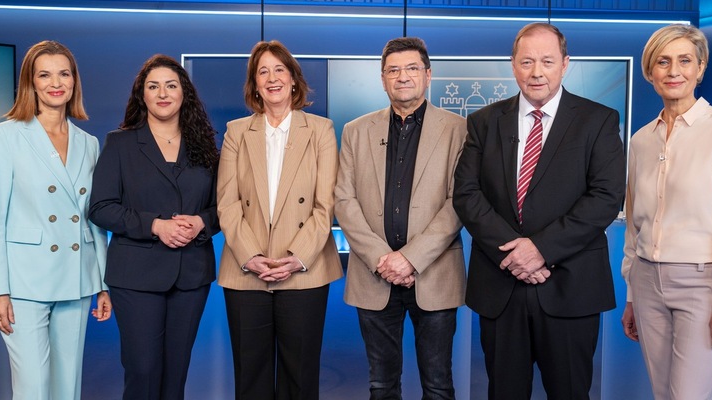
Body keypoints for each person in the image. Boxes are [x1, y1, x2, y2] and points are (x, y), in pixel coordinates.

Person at [453, 23, 626, 399]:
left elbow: (605, 197)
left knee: (569, 392)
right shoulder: (483, 122)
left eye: (547, 61)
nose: (536, 72)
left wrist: (540, 249)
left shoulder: (598, 120)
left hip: (571, 285)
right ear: (513, 65)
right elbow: (467, 194)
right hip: (502, 287)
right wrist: (516, 253)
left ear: (565, 64)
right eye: (527, 61)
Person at [621, 24, 712, 400]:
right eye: (663, 62)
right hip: (647, 282)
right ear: (649, 72)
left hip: (702, 284)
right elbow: (635, 225)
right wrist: (632, 292)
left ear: (700, 67)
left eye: (684, 61)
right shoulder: (641, 140)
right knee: (663, 395)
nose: (673, 71)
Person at [0, 40, 112, 399]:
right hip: (23, 282)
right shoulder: (5, 136)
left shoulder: (89, 143)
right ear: (31, 83)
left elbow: (93, 221)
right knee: (33, 388)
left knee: (67, 385)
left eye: (64, 73)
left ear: (74, 81)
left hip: (77, 275)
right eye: (45, 74)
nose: (56, 82)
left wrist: (102, 282)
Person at [335, 37, 467, 399]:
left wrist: (410, 259)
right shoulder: (355, 131)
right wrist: (383, 260)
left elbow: (460, 202)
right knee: (381, 385)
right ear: (382, 79)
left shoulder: (459, 129)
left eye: (411, 69)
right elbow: (344, 199)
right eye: (393, 70)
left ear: (428, 75)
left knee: (438, 385)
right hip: (373, 274)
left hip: (435, 274)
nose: (402, 77)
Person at [88, 54, 220, 400]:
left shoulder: (206, 146)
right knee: (143, 369)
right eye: (153, 86)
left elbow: (224, 207)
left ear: (184, 93)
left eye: (171, 85)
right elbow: (100, 207)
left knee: (176, 373)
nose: (163, 92)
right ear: (141, 95)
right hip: (135, 275)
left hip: (191, 274)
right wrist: (155, 226)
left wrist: (202, 221)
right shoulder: (120, 143)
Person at [216, 40, 342, 400]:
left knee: (299, 378)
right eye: (262, 72)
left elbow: (325, 203)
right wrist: (250, 255)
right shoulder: (237, 132)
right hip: (245, 272)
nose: (271, 78)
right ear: (255, 84)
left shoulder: (320, 130)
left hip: (304, 271)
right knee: (250, 377)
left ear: (293, 79)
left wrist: (297, 258)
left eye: (279, 70)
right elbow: (227, 202)